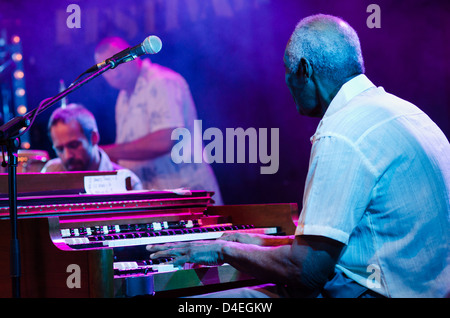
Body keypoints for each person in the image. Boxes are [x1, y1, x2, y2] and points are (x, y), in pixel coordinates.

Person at [147, 14, 450, 298]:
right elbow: (341, 248)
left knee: (212, 301)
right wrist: (249, 242)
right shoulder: (406, 112)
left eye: (287, 70)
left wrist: (221, 251)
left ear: (304, 70)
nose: (287, 82)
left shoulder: (340, 132)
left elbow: (305, 271)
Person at [93, 37, 223, 204]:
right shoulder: (123, 98)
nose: (115, 72)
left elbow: (166, 140)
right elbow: (125, 156)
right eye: (107, 69)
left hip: (187, 197)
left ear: (133, 55)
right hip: (159, 198)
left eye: (117, 63)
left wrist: (104, 152)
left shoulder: (162, 82)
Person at [41, 103, 143, 191]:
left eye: (74, 145)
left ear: (94, 138)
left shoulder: (127, 182)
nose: (67, 156)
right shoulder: (50, 172)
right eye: (60, 149)